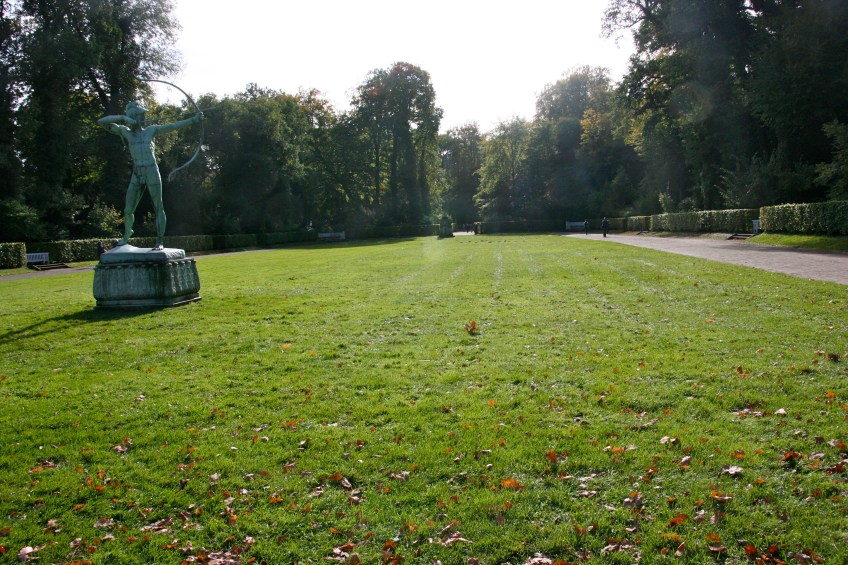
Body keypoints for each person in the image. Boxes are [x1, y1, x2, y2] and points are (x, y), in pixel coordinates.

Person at [98, 101, 202, 250]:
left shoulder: (151, 130)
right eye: (139, 115)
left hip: (151, 170)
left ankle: (159, 241)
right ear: (132, 117)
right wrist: (122, 117)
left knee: (158, 206)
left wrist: (193, 119)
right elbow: (101, 122)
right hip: (137, 172)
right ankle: (127, 234)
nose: (142, 118)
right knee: (128, 210)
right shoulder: (125, 131)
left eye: (142, 116)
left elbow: (173, 126)